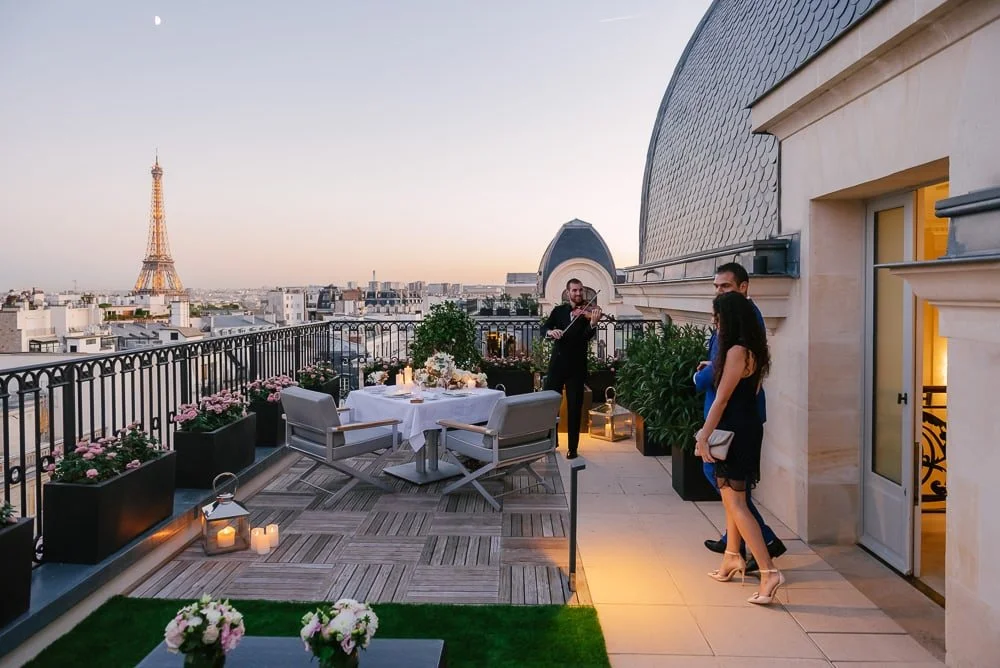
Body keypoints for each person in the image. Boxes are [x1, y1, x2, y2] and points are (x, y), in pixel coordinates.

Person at [694, 263, 785, 571]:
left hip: (734, 422)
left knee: (733, 495)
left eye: (725, 287)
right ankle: (733, 553)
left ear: (743, 287)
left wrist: (703, 433)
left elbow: (721, 391)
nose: (719, 293)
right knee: (732, 493)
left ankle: (765, 551)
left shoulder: (737, 334)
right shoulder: (744, 333)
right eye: (717, 287)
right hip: (740, 419)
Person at [541, 278, 601, 459]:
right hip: (557, 366)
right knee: (552, 406)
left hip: (576, 367)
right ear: (568, 293)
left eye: (580, 290)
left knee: (575, 408)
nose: (578, 294)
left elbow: (585, 338)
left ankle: (573, 448)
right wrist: (551, 332)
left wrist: (592, 324)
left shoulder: (587, 314)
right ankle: (552, 442)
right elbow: (544, 327)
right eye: (574, 291)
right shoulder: (558, 311)